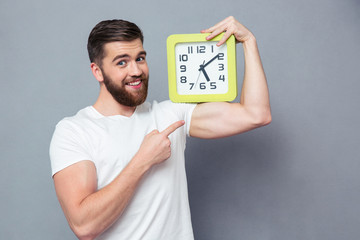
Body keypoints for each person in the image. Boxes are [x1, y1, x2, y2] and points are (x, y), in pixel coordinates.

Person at [49, 16, 271, 240]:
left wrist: (249, 42)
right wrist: (143, 161)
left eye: (140, 58)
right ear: (97, 71)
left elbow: (256, 114)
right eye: (122, 62)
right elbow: (84, 226)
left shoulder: (170, 115)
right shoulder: (74, 131)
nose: (136, 70)